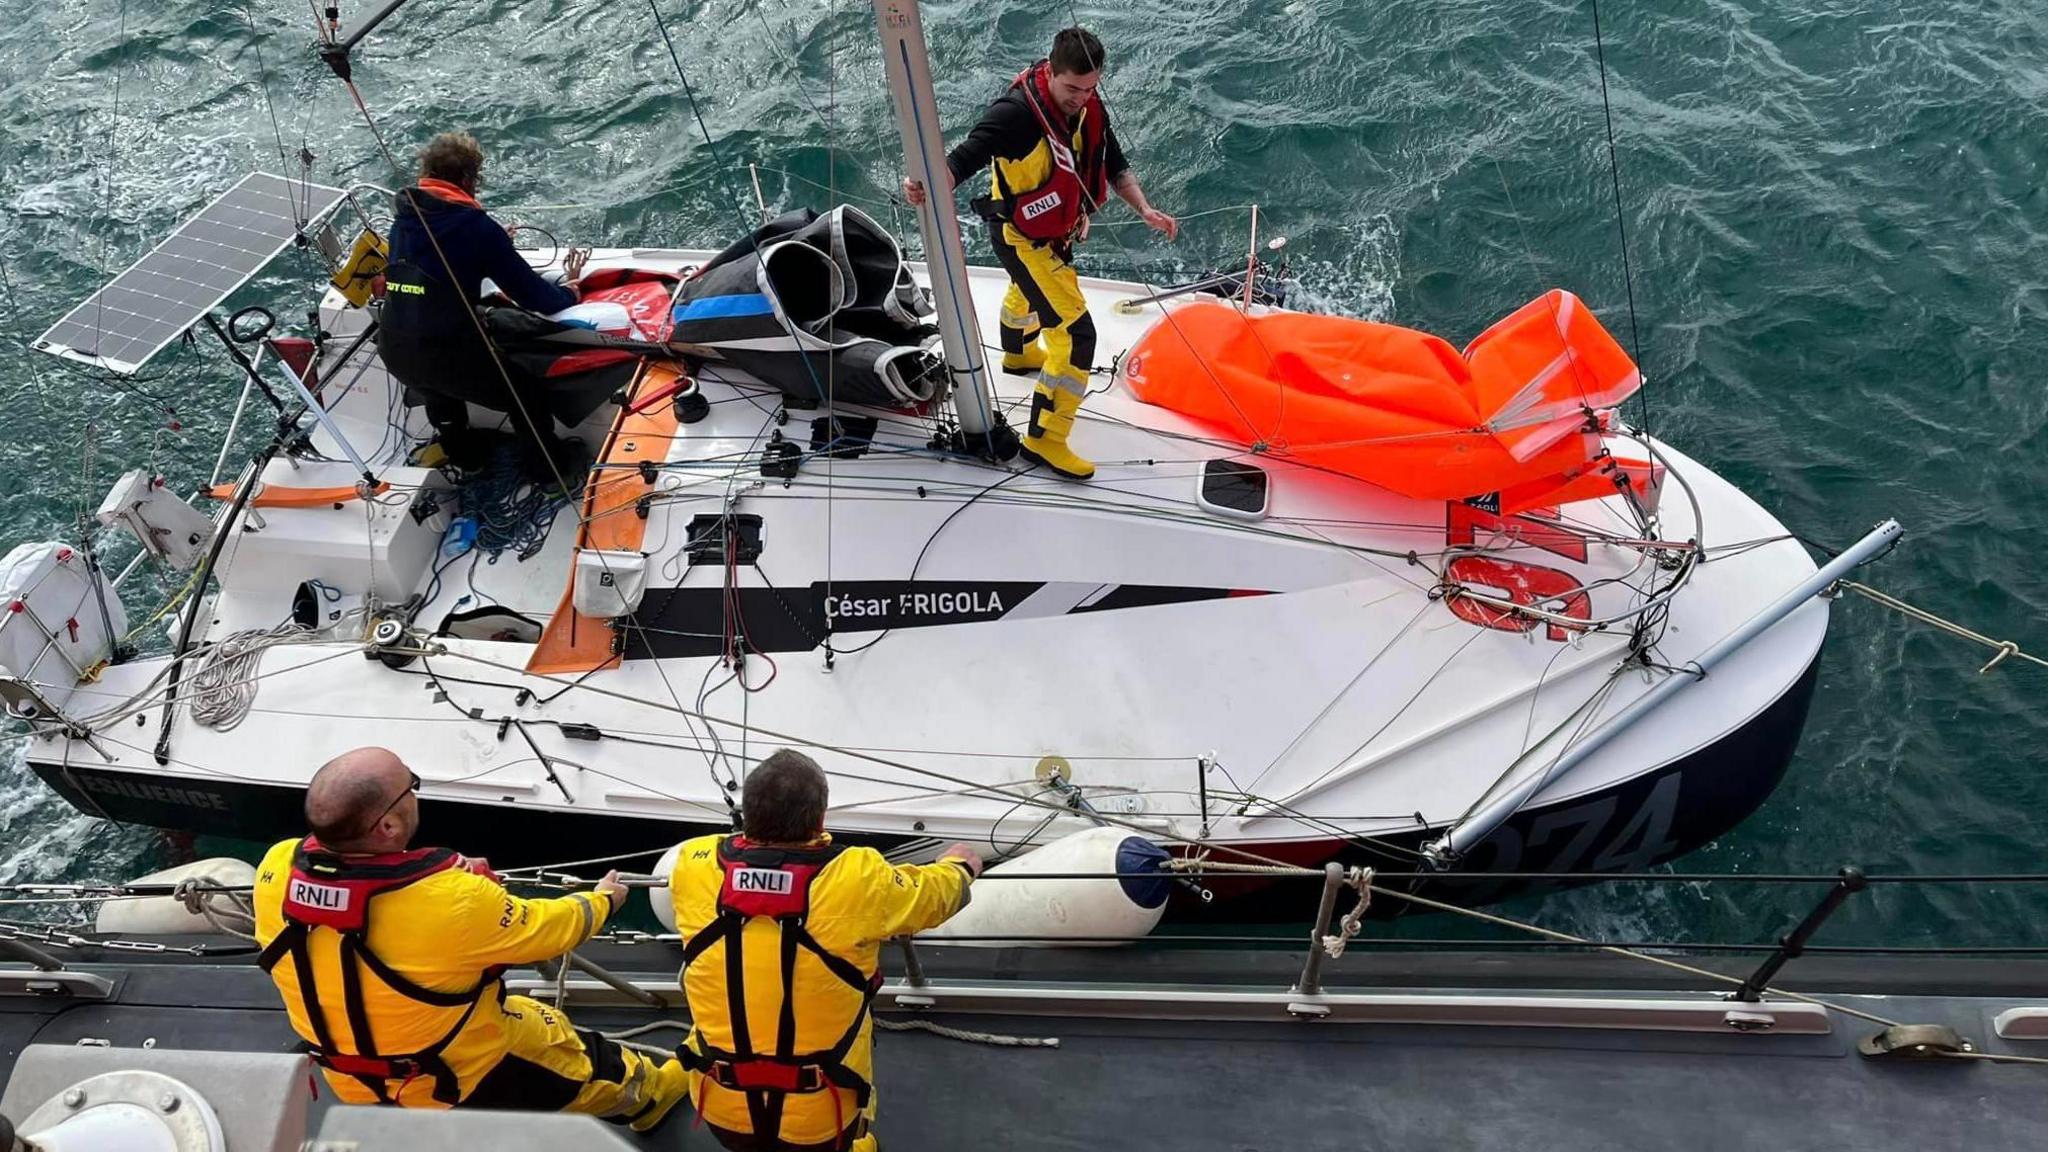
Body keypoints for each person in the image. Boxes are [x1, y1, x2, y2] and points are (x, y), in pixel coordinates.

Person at [251, 747, 689, 1134]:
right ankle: (652, 1100)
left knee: (526, 1012)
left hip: (350, 1077)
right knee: (584, 1066)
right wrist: (602, 901)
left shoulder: (276, 867)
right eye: (411, 787)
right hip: (457, 1073)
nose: (416, 795)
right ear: (387, 824)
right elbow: (550, 928)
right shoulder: (455, 902)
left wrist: (452, 885)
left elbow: (367, 904)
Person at [668, 749, 983, 1151]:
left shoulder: (692, 864)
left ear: (747, 813)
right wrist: (959, 867)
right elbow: (933, 898)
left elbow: (739, 864)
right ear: (820, 819)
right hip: (822, 1119)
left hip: (720, 1108)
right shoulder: (858, 877)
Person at [904, 27, 1178, 481]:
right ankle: (1045, 438)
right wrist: (924, 186)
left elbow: (1113, 163)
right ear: (1050, 71)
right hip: (1021, 237)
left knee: (1027, 292)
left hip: (1056, 230)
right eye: (1072, 88)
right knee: (1077, 338)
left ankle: (1017, 354)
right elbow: (959, 161)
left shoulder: (1088, 106)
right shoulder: (1014, 115)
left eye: (1091, 89)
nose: (1081, 98)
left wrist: (1144, 208)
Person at [377, 131, 591, 484]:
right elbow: (535, 297)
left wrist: (491, 248)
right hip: (444, 353)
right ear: (466, 179)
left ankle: (466, 458)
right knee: (527, 394)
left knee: (438, 392)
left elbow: (436, 262)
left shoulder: (405, 218)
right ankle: (550, 477)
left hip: (395, 349)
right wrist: (569, 291)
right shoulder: (475, 227)